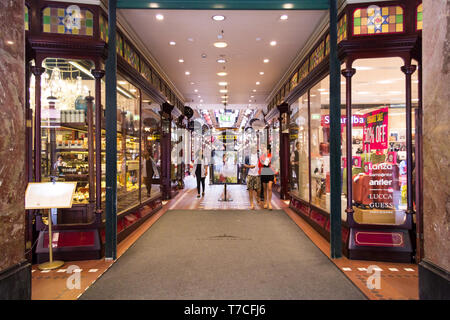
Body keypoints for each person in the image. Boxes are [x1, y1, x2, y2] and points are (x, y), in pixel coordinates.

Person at [259, 144, 276, 210]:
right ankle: (265, 202)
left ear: (268, 150)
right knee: (265, 188)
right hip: (264, 172)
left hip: (270, 172)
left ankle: (269, 203)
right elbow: (260, 164)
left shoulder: (272, 156)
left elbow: (274, 164)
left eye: (266, 149)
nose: (265, 150)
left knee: (269, 187)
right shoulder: (262, 156)